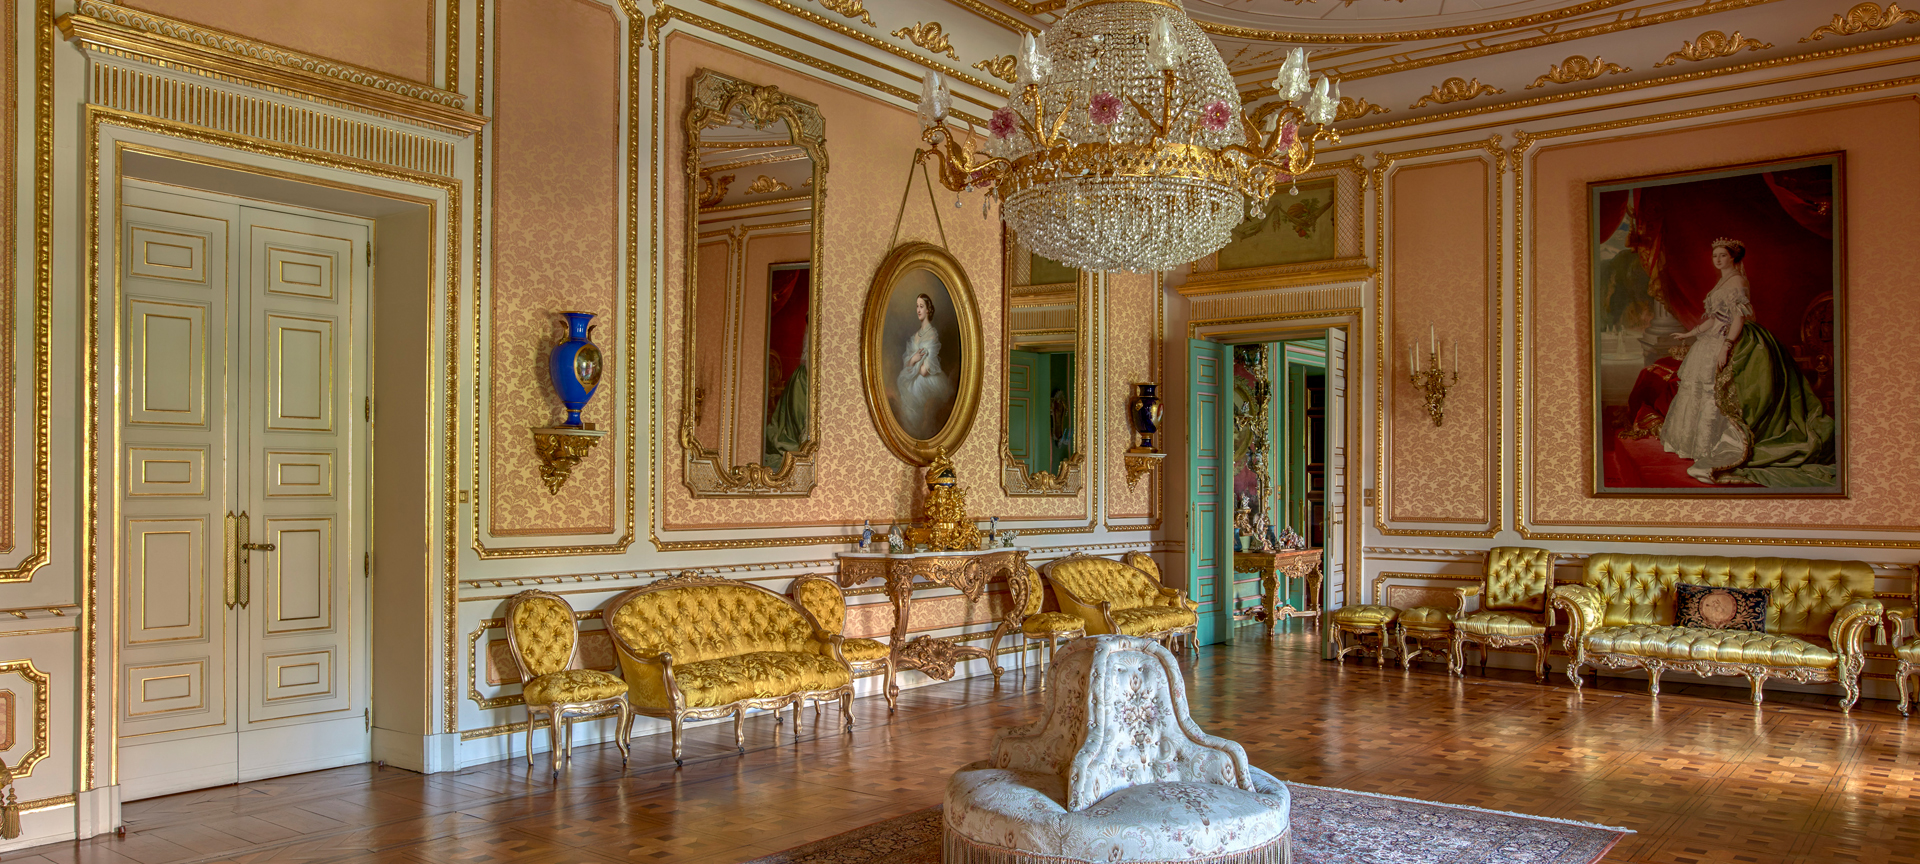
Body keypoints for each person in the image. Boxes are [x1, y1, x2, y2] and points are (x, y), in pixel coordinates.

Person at [1659, 237, 1834, 486]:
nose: (1717, 260)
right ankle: (1699, 445)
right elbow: (1715, 318)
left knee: (1717, 390)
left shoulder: (1738, 282)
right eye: (1714, 256)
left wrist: (1727, 347)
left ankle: (1723, 444)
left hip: (1732, 340)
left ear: (1733, 257)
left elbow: (1738, 319)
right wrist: (1690, 334)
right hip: (1711, 340)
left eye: (1722, 255)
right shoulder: (1722, 281)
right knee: (1701, 390)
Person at [895, 293, 957, 439]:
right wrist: (914, 359)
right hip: (914, 377)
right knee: (906, 396)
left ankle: (920, 435)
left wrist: (914, 362)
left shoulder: (932, 334)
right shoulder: (916, 336)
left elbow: (924, 370)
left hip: (927, 380)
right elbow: (907, 362)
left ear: (928, 310)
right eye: (917, 306)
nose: (918, 310)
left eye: (921, 306)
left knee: (917, 392)